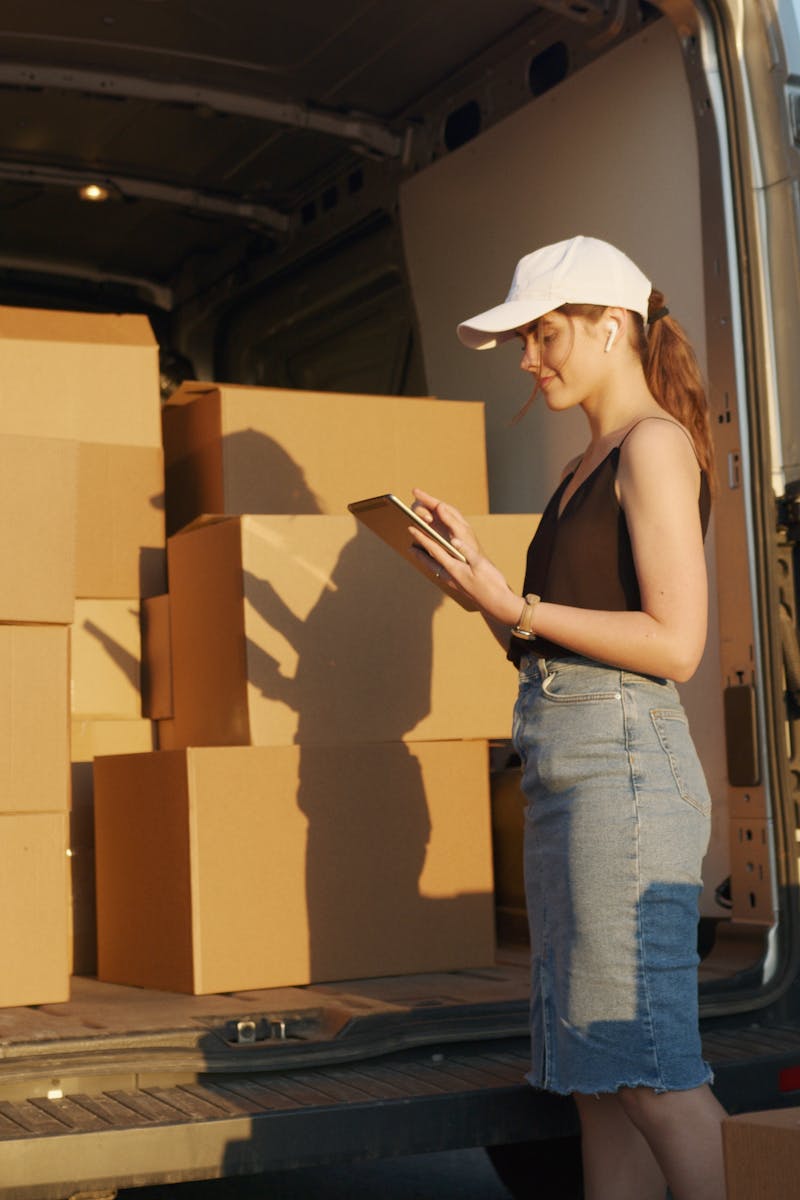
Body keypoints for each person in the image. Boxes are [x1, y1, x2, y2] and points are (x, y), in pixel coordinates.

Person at [409, 235, 727, 1200]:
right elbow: (561, 636)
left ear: (610, 326)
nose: (528, 357)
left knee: (649, 1071)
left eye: (543, 334)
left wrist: (517, 608)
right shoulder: (582, 464)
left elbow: (677, 644)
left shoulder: (655, 446)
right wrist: (489, 593)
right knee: (596, 1077)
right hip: (573, 763)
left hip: (623, 771)